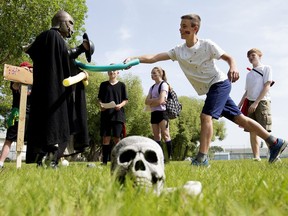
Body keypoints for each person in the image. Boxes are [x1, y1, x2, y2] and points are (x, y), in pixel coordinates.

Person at [124, 13, 287, 166]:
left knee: (205, 116)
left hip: (220, 83)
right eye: (180, 26)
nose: (180, 29)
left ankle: (202, 157)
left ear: (195, 28)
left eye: (184, 26)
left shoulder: (207, 45)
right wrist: (133, 59)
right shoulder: (178, 51)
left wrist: (233, 67)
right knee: (240, 119)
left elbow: (229, 57)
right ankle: (274, 142)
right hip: (211, 89)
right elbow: (154, 58)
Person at [25, 10, 91, 168]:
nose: (71, 29)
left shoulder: (44, 38)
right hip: (54, 91)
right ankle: (51, 160)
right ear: (62, 22)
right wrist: (82, 48)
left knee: (45, 123)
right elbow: (65, 56)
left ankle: (43, 159)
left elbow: (61, 59)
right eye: (70, 24)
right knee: (55, 122)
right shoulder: (53, 36)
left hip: (44, 90)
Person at [238, 48, 273, 161]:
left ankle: (274, 155)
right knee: (252, 131)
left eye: (253, 55)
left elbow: (267, 86)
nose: (251, 57)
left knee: (264, 130)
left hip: (262, 102)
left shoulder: (266, 68)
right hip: (250, 103)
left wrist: (257, 102)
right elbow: (247, 92)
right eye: (249, 56)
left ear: (259, 56)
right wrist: (239, 105)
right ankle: (256, 157)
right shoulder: (249, 74)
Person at [0, 62, 33, 168]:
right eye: (27, 69)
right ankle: (1, 162)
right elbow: (14, 86)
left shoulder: (33, 82)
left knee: (28, 139)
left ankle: (35, 161)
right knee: (9, 138)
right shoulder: (15, 81)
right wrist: (21, 74)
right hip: (17, 113)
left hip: (29, 114)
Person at [98, 68, 128, 165]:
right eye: (110, 71)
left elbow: (126, 100)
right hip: (105, 115)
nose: (112, 72)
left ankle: (121, 161)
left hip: (118, 115)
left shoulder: (122, 85)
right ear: (108, 72)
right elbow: (99, 99)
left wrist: (120, 105)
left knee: (117, 138)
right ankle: (104, 162)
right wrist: (101, 105)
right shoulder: (103, 85)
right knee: (105, 138)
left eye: (114, 71)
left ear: (117, 73)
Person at [145, 66, 172, 162]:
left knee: (166, 135)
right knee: (156, 136)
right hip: (154, 113)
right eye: (151, 74)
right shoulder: (152, 87)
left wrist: (152, 101)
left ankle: (169, 157)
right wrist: (155, 101)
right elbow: (146, 101)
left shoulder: (164, 85)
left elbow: (161, 101)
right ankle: (159, 158)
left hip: (162, 113)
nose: (152, 75)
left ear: (160, 74)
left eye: (154, 74)